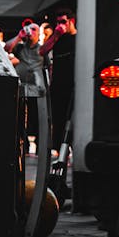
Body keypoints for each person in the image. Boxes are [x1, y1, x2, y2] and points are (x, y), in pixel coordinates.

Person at [42, 9, 77, 150]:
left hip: (73, 84)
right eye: (57, 22)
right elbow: (42, 51)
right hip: (58, 85)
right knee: (58, 120)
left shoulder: (79, 37)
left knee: (74, 120)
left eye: (63, 21)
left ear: (71, 21)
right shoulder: (57, 37)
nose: (59, 25)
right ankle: (60, 151)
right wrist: (56, 35)